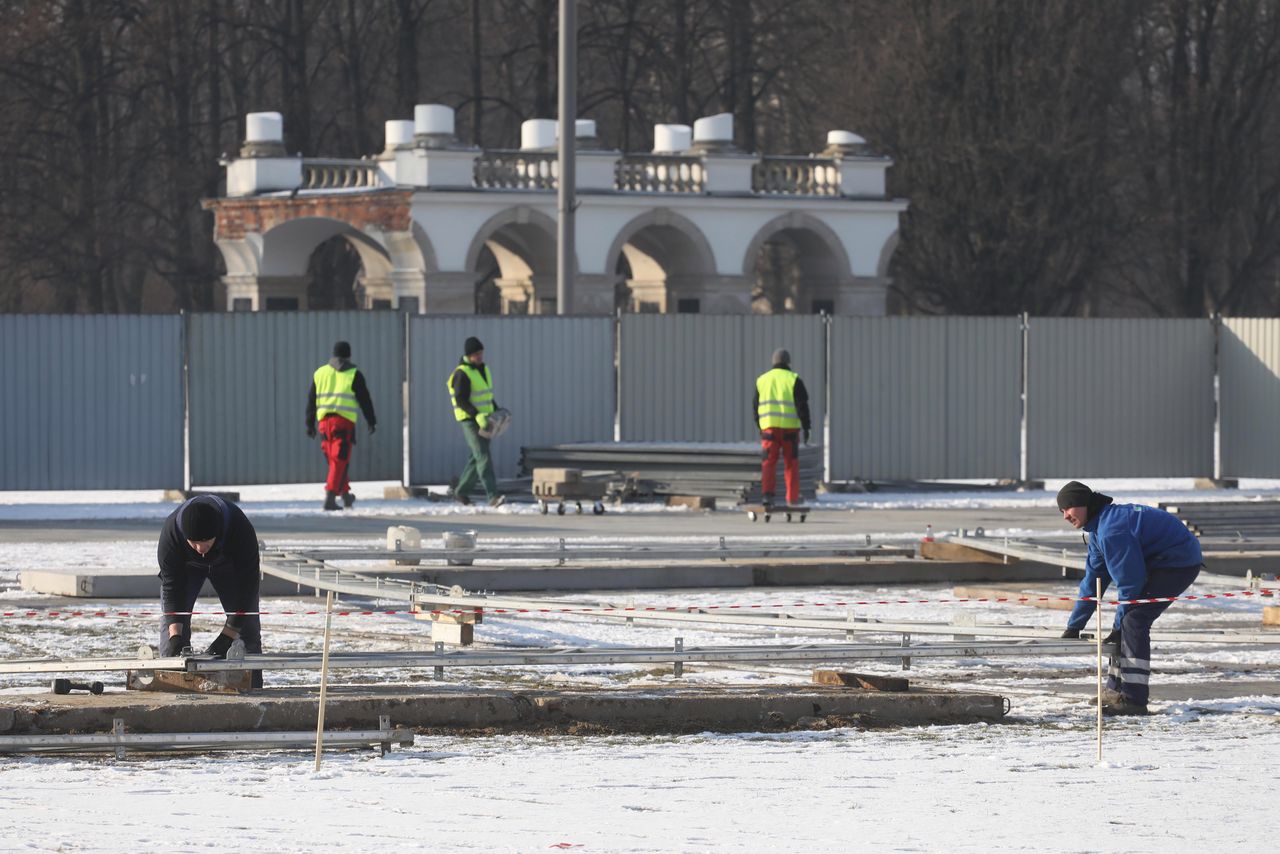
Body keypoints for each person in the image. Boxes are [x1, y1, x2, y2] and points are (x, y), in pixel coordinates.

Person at [1056, 480, 1203, 715]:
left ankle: (1134, 699)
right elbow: (1093, 581)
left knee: (1133, 621)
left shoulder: (1113, 530)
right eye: (1061, 511)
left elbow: (1130, 583)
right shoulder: (1098, 530)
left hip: (1178, 562)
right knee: (1124, 623)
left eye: (1068, 508)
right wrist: (1074, 626)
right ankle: (1115, 691)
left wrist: (1117, 626)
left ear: (1083, 504)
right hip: (1159, 561)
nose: (1065, 515)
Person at [156, 495, 263, 687]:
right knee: (170, 636)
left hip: (229, 567)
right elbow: (172, 588)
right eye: (193, 542)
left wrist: (227, 635)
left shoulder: (240, 529)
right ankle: (172, 688)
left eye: (205, 542)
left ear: (217, 533)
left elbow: (247, 588)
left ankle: (252, 688)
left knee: (247, 632)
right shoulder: (171, 535)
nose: (199, 548)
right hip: (187, 569)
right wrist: (175, 635)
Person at [306, 340, 377, 511]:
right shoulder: (353, 374)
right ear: (349, 355)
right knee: (339, 461)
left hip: (324, 424)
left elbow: (311, 400)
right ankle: (330, 497)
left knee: (336, 462)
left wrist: (310, 423)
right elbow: (364, 399)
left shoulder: (320, 373)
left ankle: (345, 497)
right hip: (342, 424)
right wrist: (371, 420)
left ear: (334, 354)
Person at [447, 336, 505, 508]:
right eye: (476, 354)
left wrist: (496, 410)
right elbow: (460, 400)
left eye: (481, 353)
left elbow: (487, 395)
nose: (479, 356)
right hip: (470, 421)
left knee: (476, 458)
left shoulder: (483, 369)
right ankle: (492, 496)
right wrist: (476, 415)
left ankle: (461, 492)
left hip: (484, 419)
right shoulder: (461, 373)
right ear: (468, 355)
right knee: (483, 456)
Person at [752, 348, 811, 508]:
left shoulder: (762, 380)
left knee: (768, 464)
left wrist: (760, 425)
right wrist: (807, 427)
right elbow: (802, 406)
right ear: (788, 362)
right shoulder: (793, 379)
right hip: (790, 431)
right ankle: (792, 498)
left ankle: (767, 496)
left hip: (769, 430)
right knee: (791, 464)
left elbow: (755, 406)